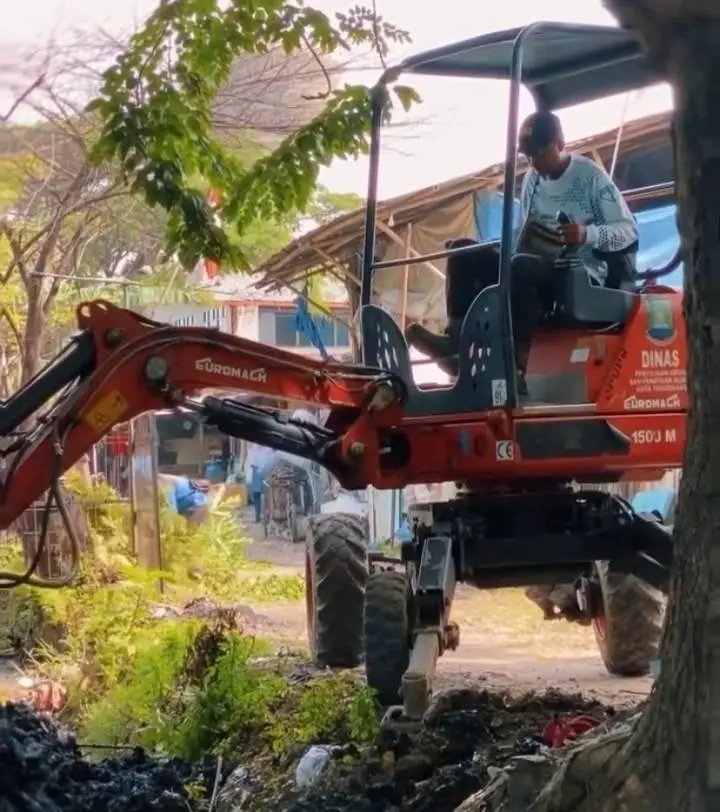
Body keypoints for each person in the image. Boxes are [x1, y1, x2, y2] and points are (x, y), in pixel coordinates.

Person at [406, 110, 638, 395]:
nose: (534, 161)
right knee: (464, 252)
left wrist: (586, 233)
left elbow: (628, 231)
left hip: (579, 270)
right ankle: (456, 345)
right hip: (535, 258)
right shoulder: (532, 180)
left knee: (522, 267)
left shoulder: (591, 178)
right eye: (528, 155)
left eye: (540, 152)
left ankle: (515, 364)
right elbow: (525, 232)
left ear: (560, 143)